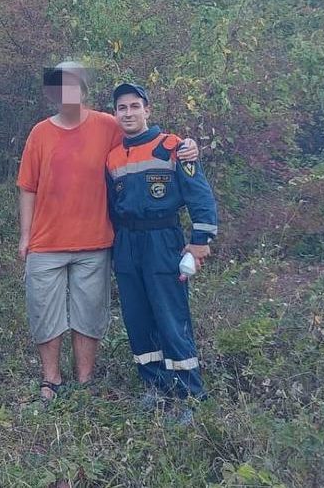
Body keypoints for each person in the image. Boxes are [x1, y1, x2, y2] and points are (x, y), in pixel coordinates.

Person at [16, 62, 199, 401]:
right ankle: (51, 379)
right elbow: (28, 187)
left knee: (90, 312)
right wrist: (25, 236)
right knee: (44, 312)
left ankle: (85, 381)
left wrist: (185, 146)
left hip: (96, 241)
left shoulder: (107, 124)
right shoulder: (39, 133)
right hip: (46, 242)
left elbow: (144, 136)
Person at [105, 82, 218, 425]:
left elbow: (200, 196)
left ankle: (189, 395)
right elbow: (111, 206)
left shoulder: (173, 147)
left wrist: (200, 241)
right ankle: (155, 387)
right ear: (115, 114)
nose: (128, 113)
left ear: (147, 110)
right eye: (122, 108)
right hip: (127, 244)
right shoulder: (112, 157)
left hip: (163, 241)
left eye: (134, 106)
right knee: (138, 320)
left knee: (171, 317)